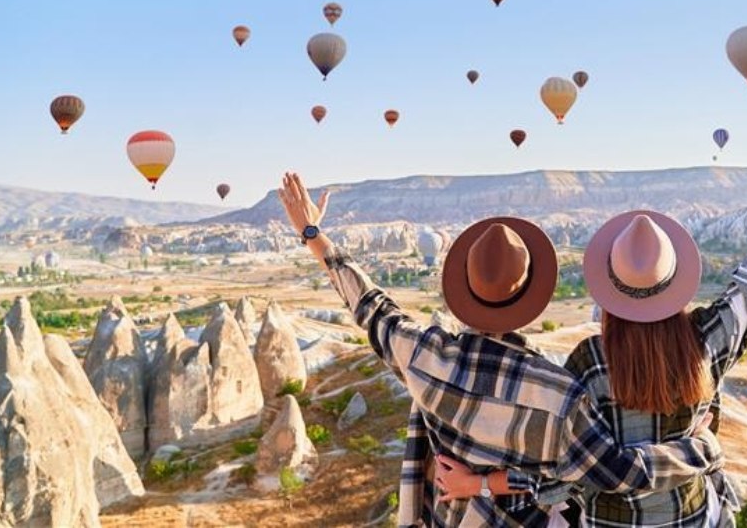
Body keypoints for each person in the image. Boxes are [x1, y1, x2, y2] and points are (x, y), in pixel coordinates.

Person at [435, 147, 747, 526]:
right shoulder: (705, 340)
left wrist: (475, 483)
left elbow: (561, 474)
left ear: (609, 293)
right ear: (674, 283)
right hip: (696, 516)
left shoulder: (588, 363)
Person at [277, 173, 724, 528]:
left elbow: (371, 307)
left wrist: (314, 233)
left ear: (465, 287)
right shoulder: (557, 395)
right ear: (533, 298)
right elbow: (615, 474)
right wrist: (699, 448)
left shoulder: (424, 356)